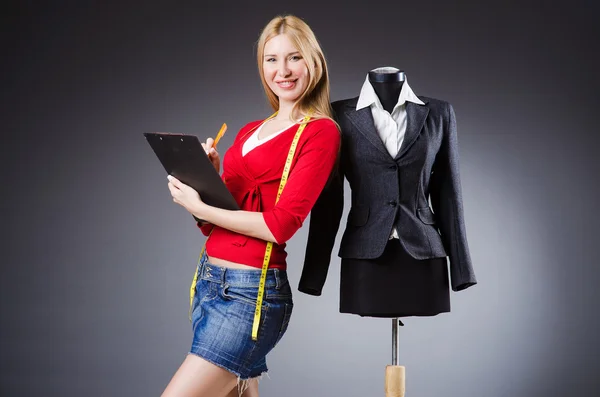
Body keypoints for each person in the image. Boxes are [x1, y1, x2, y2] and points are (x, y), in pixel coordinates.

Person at [160, 14, 340, 397]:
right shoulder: (248, 131)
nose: (283, 70)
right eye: (271, 59)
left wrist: (201, 206)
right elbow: (214, 225)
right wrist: (204, 181)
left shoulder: (320, 131)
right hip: (209, 283)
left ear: (314, 62)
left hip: (250, 295)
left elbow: (280, 225)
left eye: (294, 58)